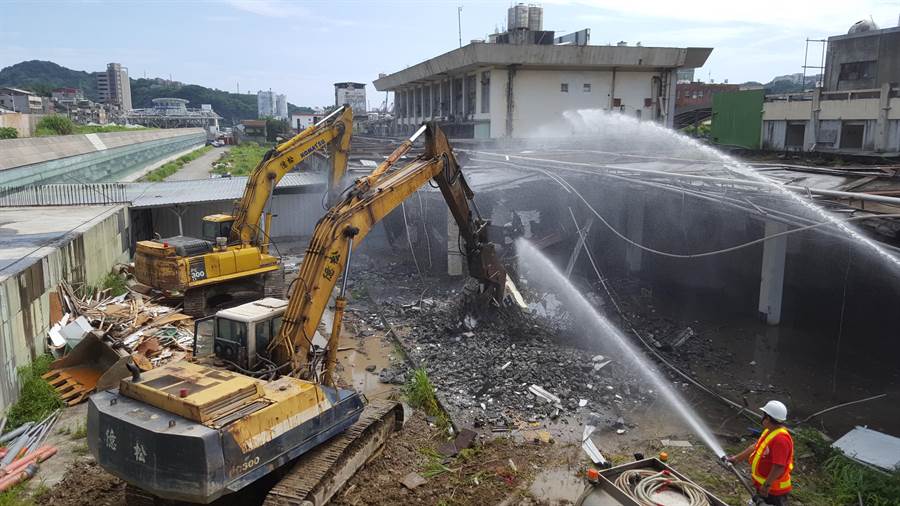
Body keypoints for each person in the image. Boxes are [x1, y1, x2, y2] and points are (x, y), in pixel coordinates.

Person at [727, 400, 794, 505]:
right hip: (764, 486)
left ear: (767, 418)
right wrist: (736, 459)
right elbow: (755, 447)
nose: (761, 418)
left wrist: (767, 485)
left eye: (763, 415)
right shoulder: (770, 431)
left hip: (774, 491)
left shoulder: (781, 439)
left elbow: (779, 466)